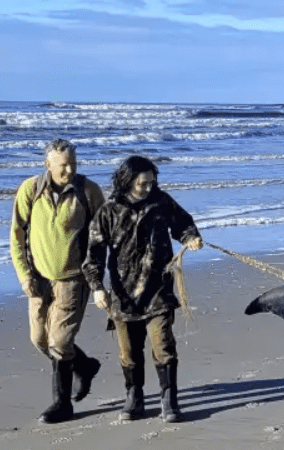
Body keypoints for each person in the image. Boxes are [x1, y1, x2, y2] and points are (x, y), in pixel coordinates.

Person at [83, 155, 203, 423]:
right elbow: (94, 254)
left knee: (163, 346)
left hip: (158, 287)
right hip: (122, 293)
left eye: (152, 182)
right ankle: (134, 397)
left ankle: (169, 400)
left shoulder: (161, 202)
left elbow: (182, 222)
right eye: (143, 184)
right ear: (127, 181)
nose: (149, 188)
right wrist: (97, 288)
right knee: (128, 352)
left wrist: (191, 237)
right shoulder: (109, 211)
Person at [9, 138, 107, 424]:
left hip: (74, 279)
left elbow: (102, 235)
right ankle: (85, 366)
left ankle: (62, 404)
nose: (69, 170)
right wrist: (24, 275)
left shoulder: (88, 191)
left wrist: (98, 278)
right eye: (63, 165)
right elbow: (16, 236)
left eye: (73, 164)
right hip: (38, 278)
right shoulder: (30, 189)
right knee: (39, 339)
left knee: (60, 342)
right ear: (48, 164)